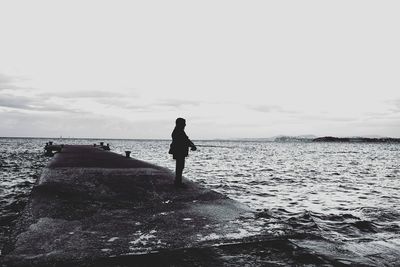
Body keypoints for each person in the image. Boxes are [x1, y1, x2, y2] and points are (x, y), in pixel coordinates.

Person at [169, 118, 197, 186]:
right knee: (180, 166)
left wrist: (192, 145)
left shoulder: (178, 131)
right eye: (184, 123)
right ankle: (178, 182)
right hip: (179, 151)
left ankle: (178, 181)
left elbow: (186, 140)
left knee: (180, 166)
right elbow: (185, 140)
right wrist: (192, 145)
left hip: (178, 151)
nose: (185, 125)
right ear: (180, 124)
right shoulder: (179, 131)